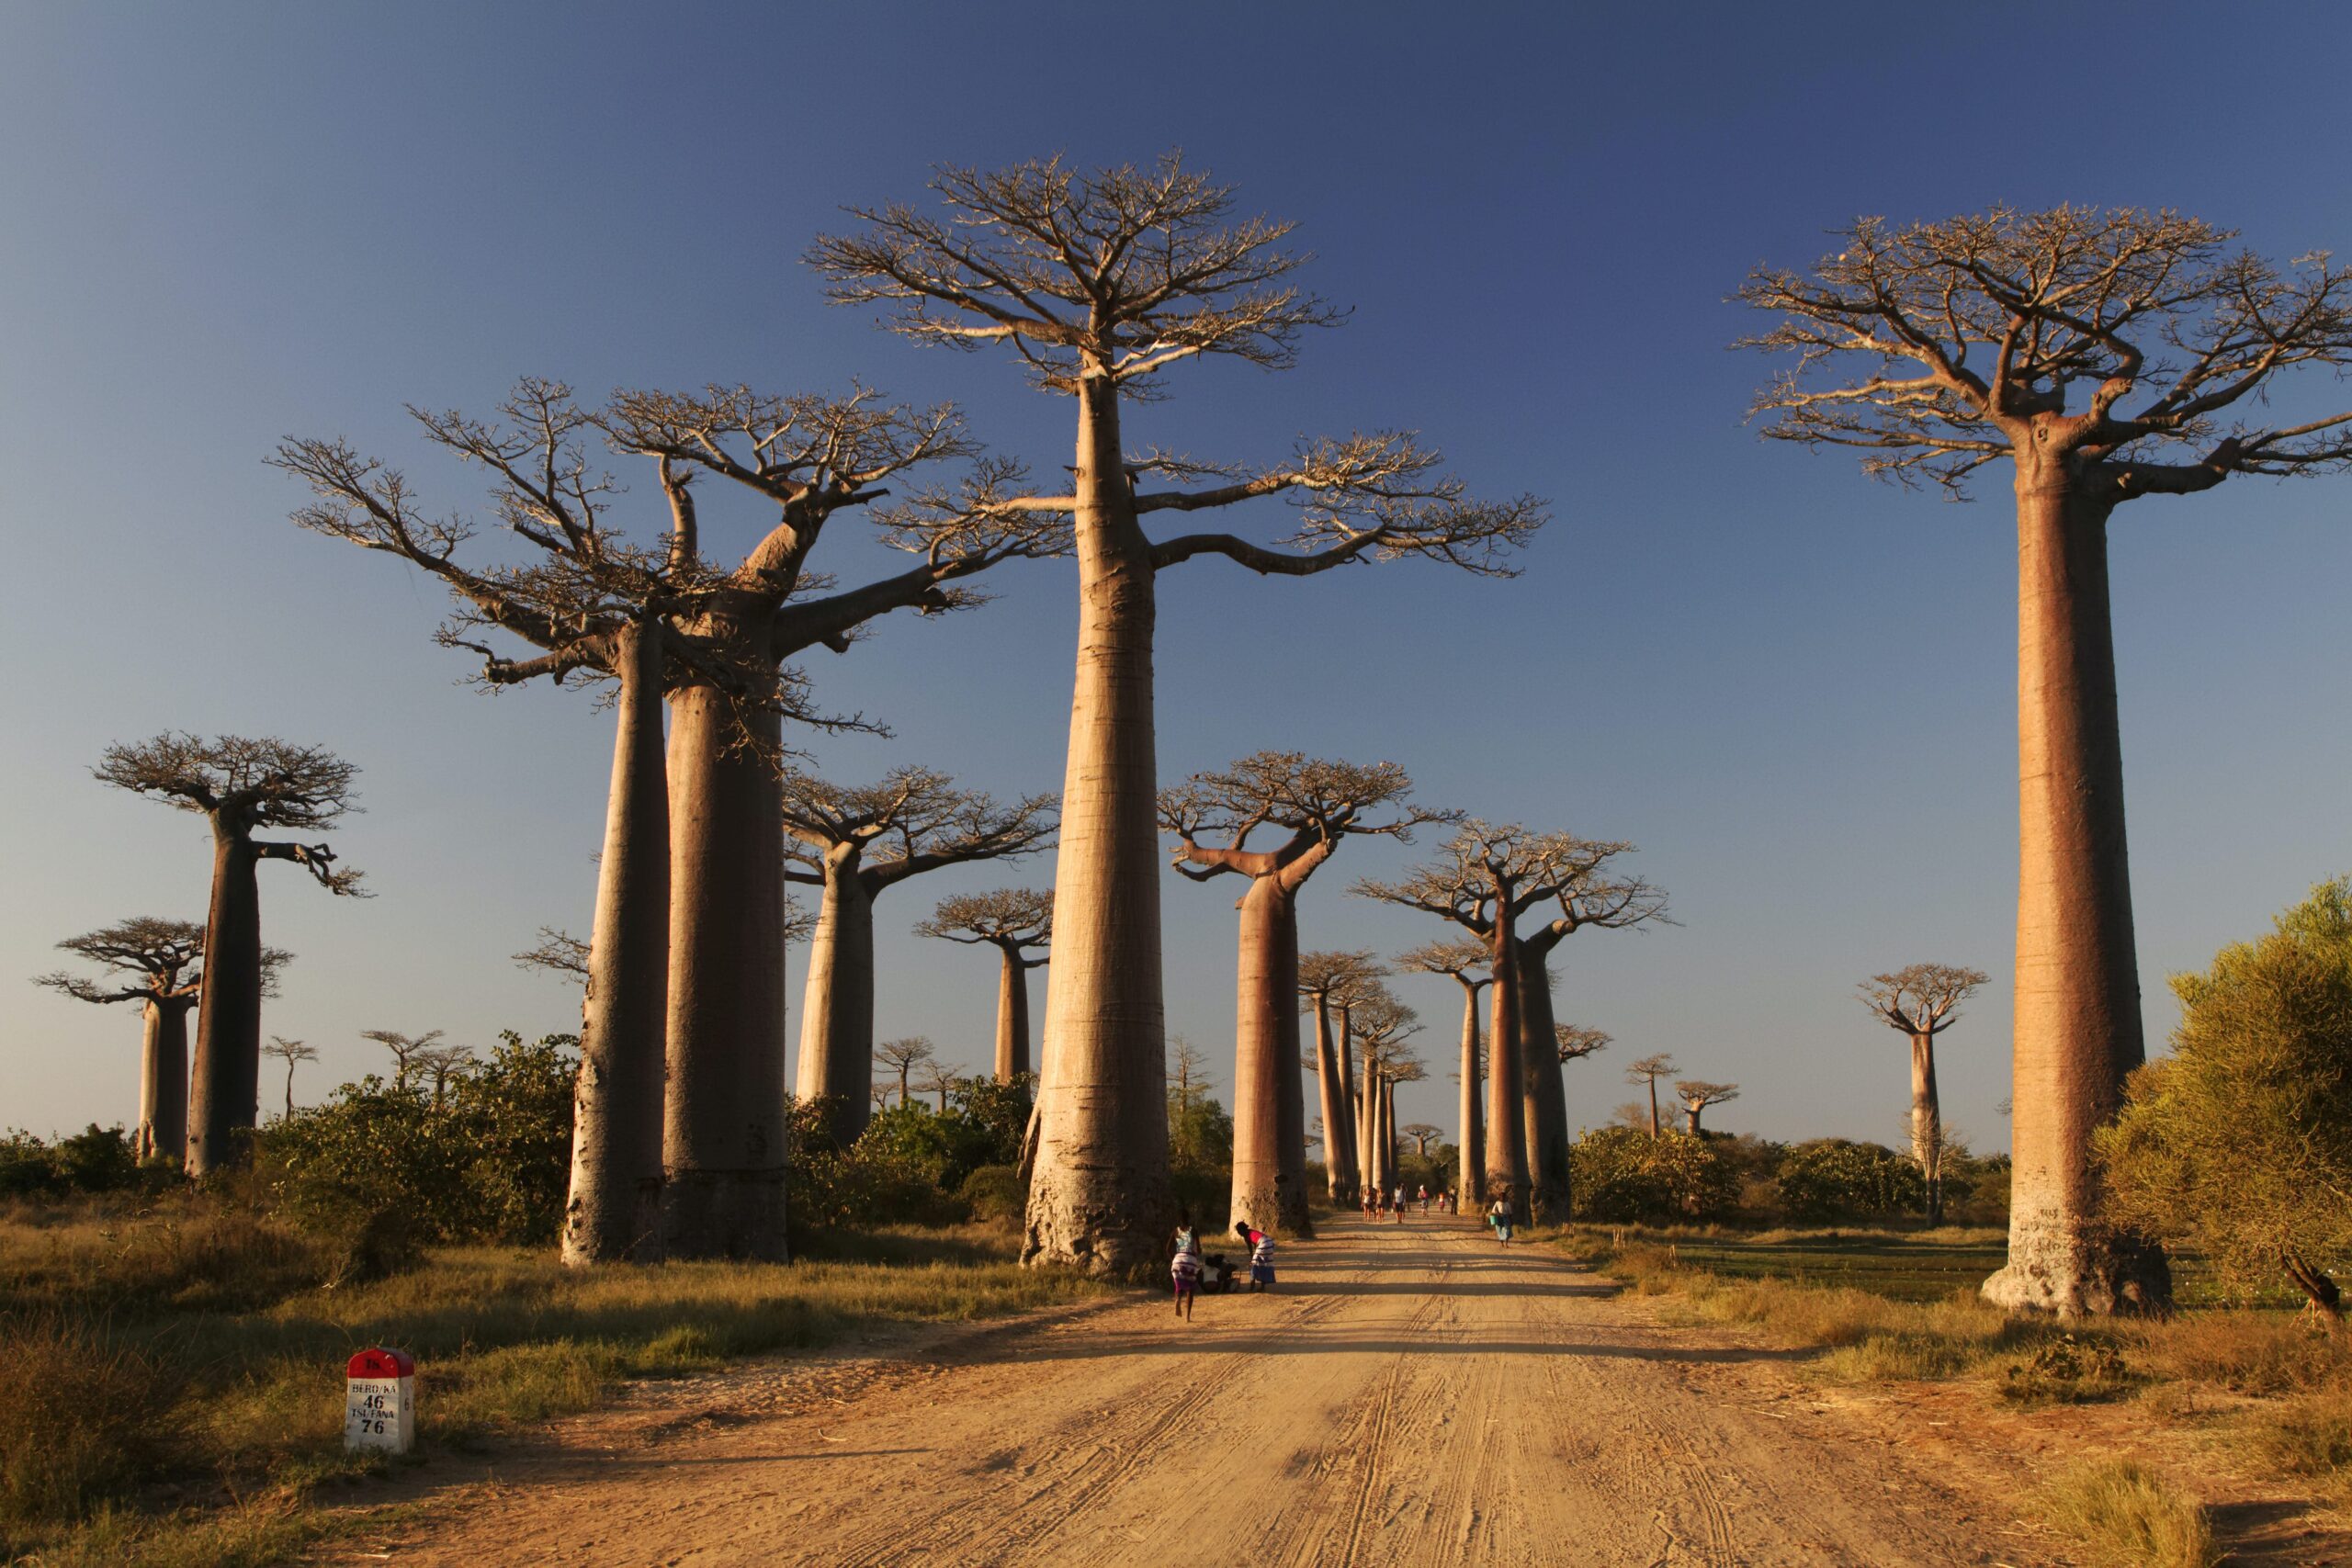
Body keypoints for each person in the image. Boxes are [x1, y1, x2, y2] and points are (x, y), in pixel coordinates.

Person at [1235, 1221, 1276, 1292]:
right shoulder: (1251, 1232)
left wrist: (1252, 1259)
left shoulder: (1246, 1235)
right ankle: (1262, 1287)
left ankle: (1252, 1286)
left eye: (1239, 1231)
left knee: (1253, 1266)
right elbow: (1255, 1246)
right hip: (1269, 1242)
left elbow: (1250, 1249)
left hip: (1263, 1243)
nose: (1239, 1233)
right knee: (1264, 1265)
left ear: (1242, 1230)